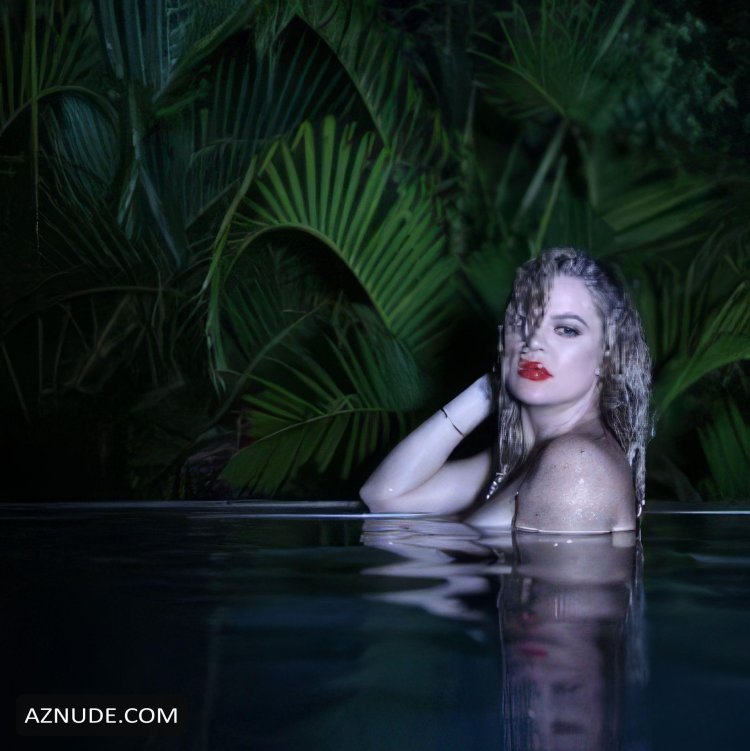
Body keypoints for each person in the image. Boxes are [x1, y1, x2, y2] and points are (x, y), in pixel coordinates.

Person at [359, 247, 652, 532]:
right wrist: (490, 387)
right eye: (521, 321)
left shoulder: (575, 463)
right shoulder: (525, 458)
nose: (533, 341)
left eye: (566, 329)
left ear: (607, 358)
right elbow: (384, 498)